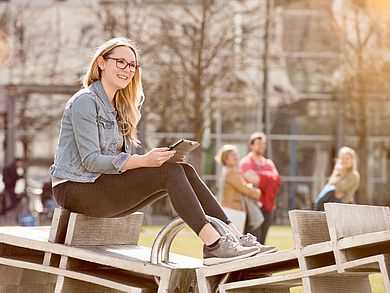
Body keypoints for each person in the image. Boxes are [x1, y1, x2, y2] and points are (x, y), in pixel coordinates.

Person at [49, 37, 269, 266]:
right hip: (75, 189)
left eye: (132, 65)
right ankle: (213, 245)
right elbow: (91, 161)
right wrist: (144, 161)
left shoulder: (118, 107)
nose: (127, 69)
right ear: (102, 63)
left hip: (99, 186)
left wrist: (160, 159)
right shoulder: (85, 101)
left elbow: (118, 164)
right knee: (169, 172)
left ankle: (234, 236)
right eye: (120, 62)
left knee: (180, 168)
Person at [215, 144, 277, 254]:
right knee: (236, 242)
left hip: (234, 210)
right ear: (226, 158)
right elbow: (244, 189)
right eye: (233, 155)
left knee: (235, 241)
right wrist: (258, 193)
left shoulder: (229, 171)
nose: (236, 157)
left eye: (236, 155)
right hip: (234, 210)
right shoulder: (231, 173)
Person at [239, 132, 281, 245]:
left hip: (268, 204)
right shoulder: (245, 162)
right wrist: (268, 177)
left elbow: (276, 180)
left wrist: (260, 176)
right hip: (252, 203)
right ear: (252, 145)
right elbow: (252, 179)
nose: (262, 146)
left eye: (264, 143)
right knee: (253, 236)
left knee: (263, 238)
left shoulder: (268, 162)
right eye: (258, 143)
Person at [314, 146, 360, 211]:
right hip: (331, 204)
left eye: (347, 158)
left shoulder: (354, 175)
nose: (344, 161)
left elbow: (338, 188)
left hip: (344, 206)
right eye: (343, 158)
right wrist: (336, 171)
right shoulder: (338, 171)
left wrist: (339, 175)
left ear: (352, 160)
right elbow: (329, 185)